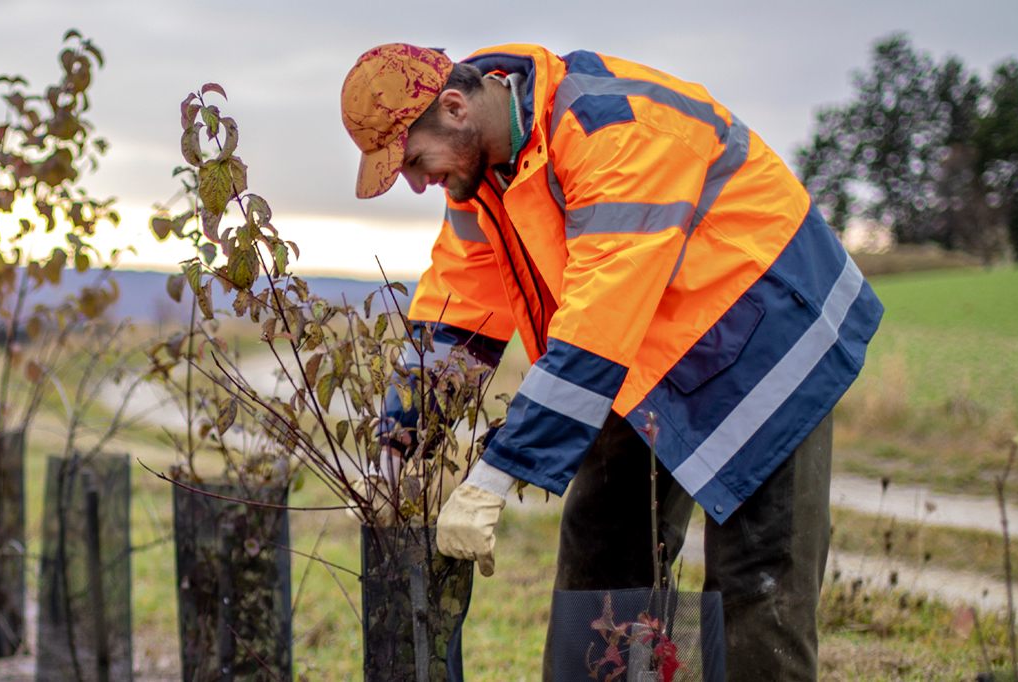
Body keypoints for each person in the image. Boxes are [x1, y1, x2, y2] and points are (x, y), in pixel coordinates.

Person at [341, 43, 883, 680]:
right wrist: (399, 442)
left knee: (753, 587)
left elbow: (596, 328)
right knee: (603, 564)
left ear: (456, 107)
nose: (413, 181)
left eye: (411, 160)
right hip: (642, 354)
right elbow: (458, 314)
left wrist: (494, 476)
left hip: (771, 342)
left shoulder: (613, 130)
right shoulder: (484, 180)